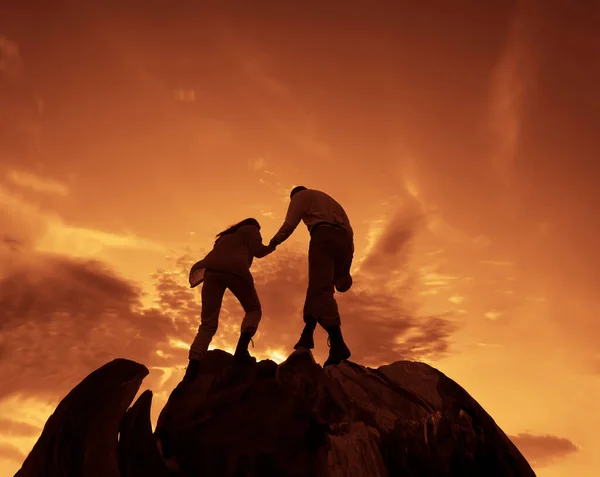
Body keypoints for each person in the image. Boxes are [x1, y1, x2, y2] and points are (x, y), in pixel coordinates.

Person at [269, 186, 354, 366]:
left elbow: (289, 224)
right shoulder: (329, 201)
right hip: (345, 241)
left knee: (320, 289)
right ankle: (307, 333)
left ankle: (336, 341)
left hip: (323, 236)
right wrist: (346, 267)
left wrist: (274, 242)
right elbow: (350, 232)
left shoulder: (301, 196)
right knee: (320, 289)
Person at [184, 218, 275, 380]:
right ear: (254, 225)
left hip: (212, 272)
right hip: (236, 271)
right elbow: (258, 251)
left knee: (207, 323)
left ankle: (193, 365)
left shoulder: (225, 236)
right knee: (254, 310)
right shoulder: (251, 229)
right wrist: (273, 245)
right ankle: (241, 350)